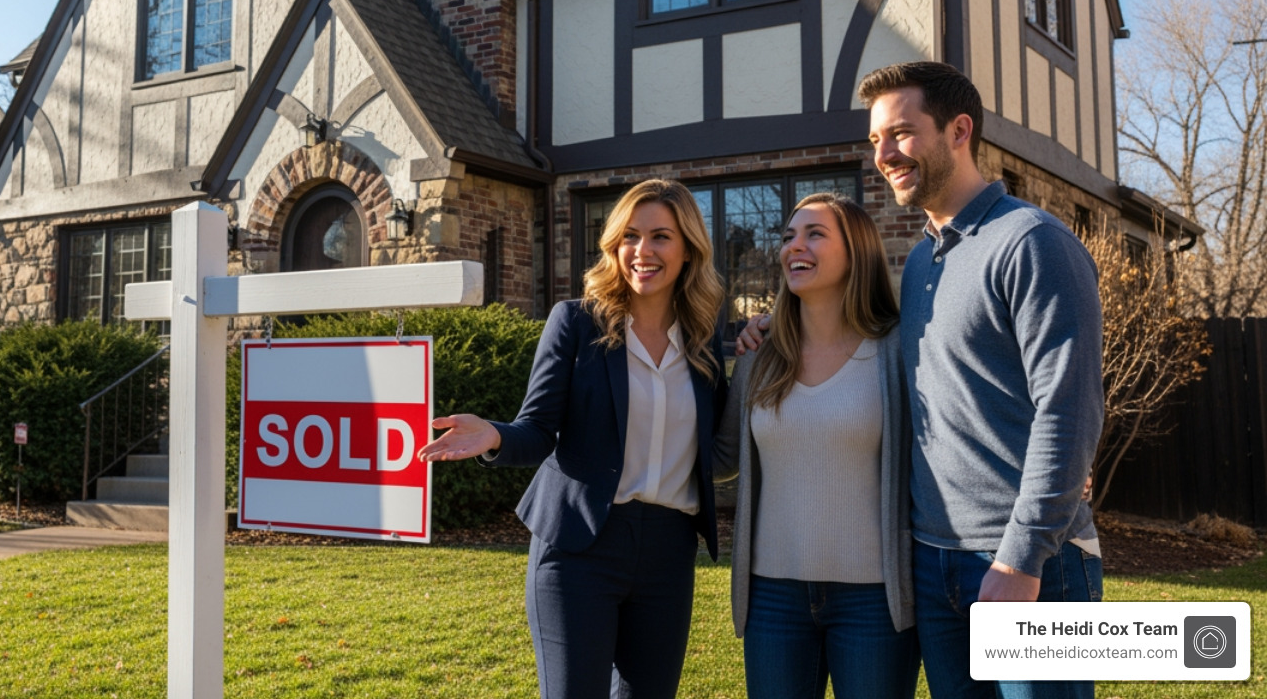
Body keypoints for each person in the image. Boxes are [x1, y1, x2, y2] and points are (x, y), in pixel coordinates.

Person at [742, 61, 1103, 699]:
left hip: (1030, 563)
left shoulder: (1032, 242)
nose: (883, 154)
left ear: (959, 131)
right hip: (933, 565)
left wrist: (1021, 557)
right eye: (876, 139)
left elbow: (1069, 410)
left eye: (902, 133)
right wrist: (780, 326)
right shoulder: (920, 266)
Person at [418, 178, 727, 699]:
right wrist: (494, 436)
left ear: (689, 249)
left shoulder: (704, 337)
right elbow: (538, 429)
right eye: (630, 236)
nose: (642, 251)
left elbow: (720, 438)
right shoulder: (577, 323)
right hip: (580, 547)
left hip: (668, 552)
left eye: (660, 236)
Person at [714, 192, 918, 699]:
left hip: (874, 600)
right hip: (772, 597)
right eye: (788, 236)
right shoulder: (760, 356)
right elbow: (721, 458)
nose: (793, 246)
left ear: (857, 253)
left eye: (814, 234)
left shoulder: (896, 351)